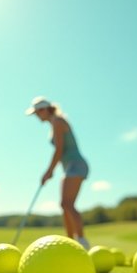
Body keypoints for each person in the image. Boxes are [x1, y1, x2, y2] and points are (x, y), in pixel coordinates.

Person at [26, 96, 90, 249]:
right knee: (64, 204)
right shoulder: (54, 123)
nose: (36, 116)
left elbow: (59, 149)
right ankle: (69, 242)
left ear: (45, 110)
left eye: (37, 112)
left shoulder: (57, 121)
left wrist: (48, 171)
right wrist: (52, 171)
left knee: (68, 204)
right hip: (69, 167)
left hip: (76, 165)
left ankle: (82, 242)